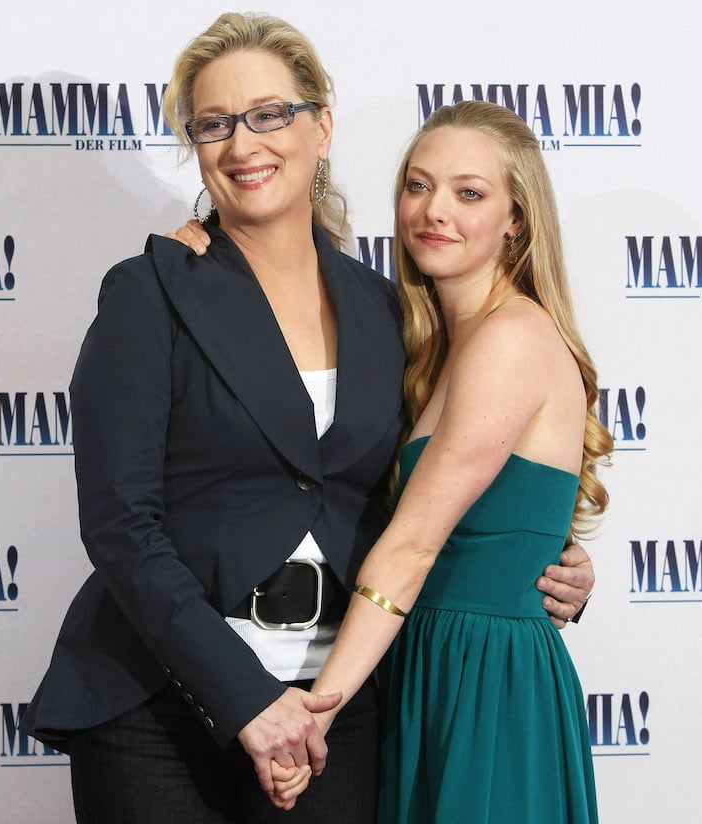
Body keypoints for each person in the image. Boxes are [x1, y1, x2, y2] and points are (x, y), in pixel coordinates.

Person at [24, 14, 595, 822]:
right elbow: (120, 523)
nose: (242, 143)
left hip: (336, 710)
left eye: (268, 114)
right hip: (159, 707)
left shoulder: (388, 311)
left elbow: (434, 496)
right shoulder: (152, 291)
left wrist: (545, 561)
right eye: (214, 124)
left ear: (320, 127)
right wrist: (245, 698)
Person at [263, 100, 610, 820]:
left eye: (470, 193)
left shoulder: (510, 338)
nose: (434, 211)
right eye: (418, 186)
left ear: (517, 219)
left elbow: (416, 545)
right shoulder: (431, 343)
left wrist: (317, 711)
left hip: (485, 682)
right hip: (432, 665)